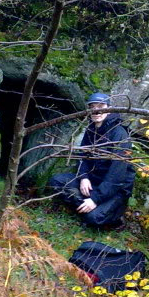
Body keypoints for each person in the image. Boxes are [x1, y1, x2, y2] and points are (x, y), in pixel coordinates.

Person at [48, 93, 135, 229]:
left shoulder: (119, 134)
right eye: (92, 107)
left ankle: (113, 217)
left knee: (93, 218)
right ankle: (88, 206)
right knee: (56, 181)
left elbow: (116, 177)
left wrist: (95, 199)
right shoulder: (91, 129)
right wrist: (84, 177)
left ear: (109, 109)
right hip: (93, 181)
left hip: (115, 189)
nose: (96, 111)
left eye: (101, 106)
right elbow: (83, 155)